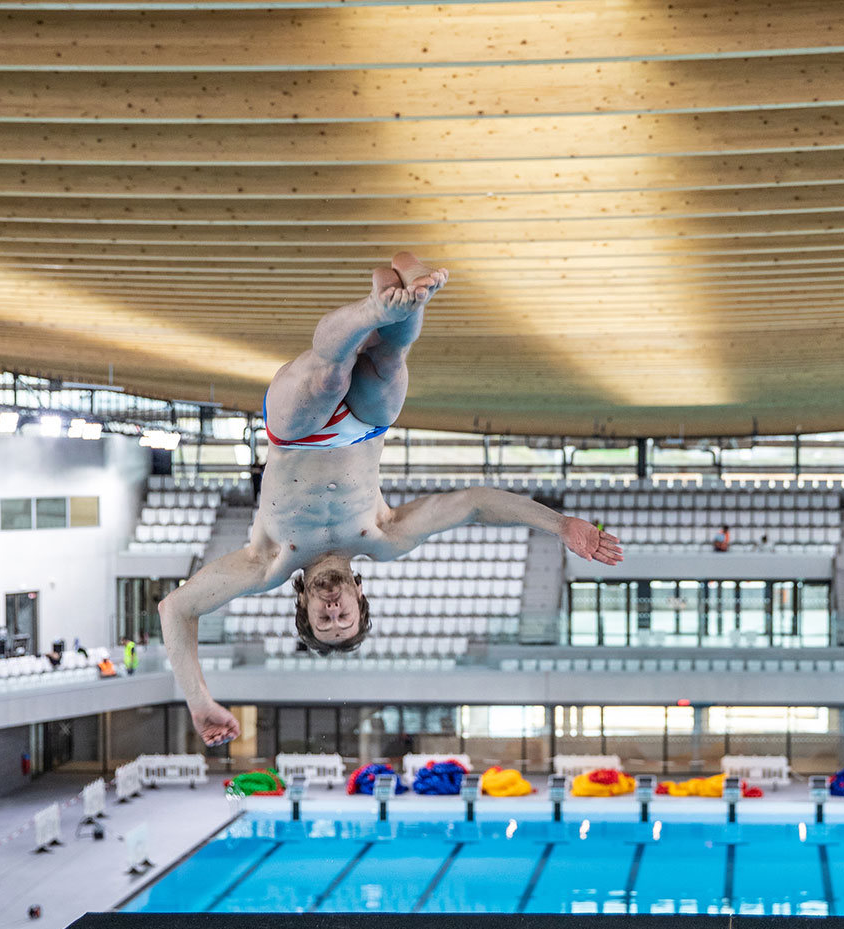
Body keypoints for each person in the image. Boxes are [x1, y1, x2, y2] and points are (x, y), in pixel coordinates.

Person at [160, 253, 625, 747]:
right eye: (345, 617)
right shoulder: (385, 537)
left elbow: (177, 609)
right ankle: (407, 293)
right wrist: (559, 525)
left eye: (324, 620)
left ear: (302, 603)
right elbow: (471, 504)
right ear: (361, 597)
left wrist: (199, 699)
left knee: (327, 376)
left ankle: (376, 307)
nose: (334, 610)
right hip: (365, 428)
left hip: (294, 434)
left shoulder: (266, 563)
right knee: (389, 360)